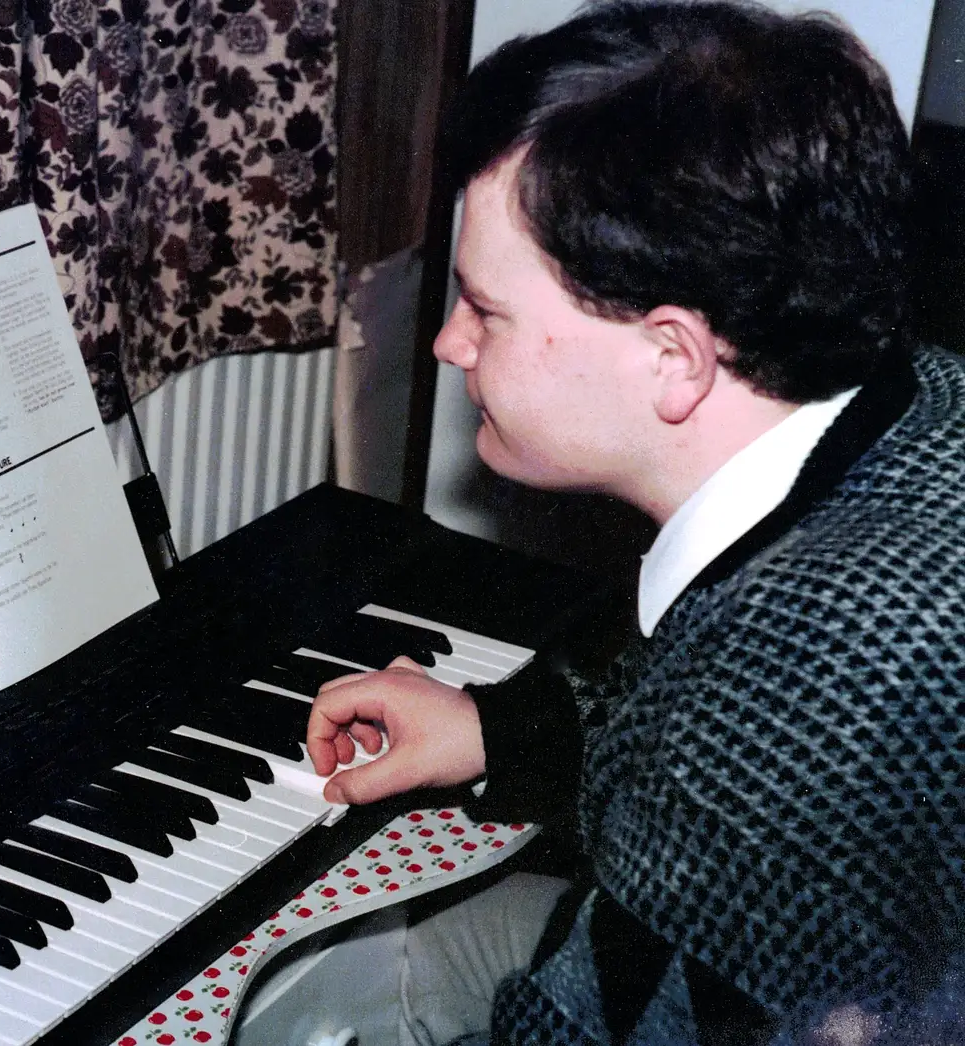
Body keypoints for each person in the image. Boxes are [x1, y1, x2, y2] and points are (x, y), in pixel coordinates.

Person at [304, 3, 965, 1044]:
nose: (444, 343)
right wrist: (498, 731)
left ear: (672, 358)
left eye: (485, 307)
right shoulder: (918, 396)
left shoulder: (776, 708)